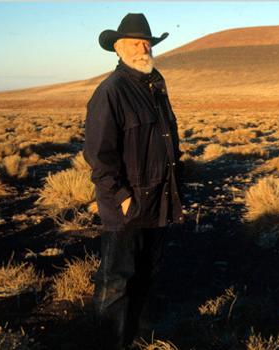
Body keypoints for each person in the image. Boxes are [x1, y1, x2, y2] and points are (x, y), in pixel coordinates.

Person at [83, 13, 184, 349]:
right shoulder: (111, 92)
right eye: (135, 42)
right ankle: (107, 343)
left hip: (158, 202)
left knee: (145, 277)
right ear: (118, 48)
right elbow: (99, 156)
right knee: (115, 284)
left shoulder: (155, 85)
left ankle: (133, 339)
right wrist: (123, 197)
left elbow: (168, 139)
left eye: (147, 42)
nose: (143, 47)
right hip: (126, 208)